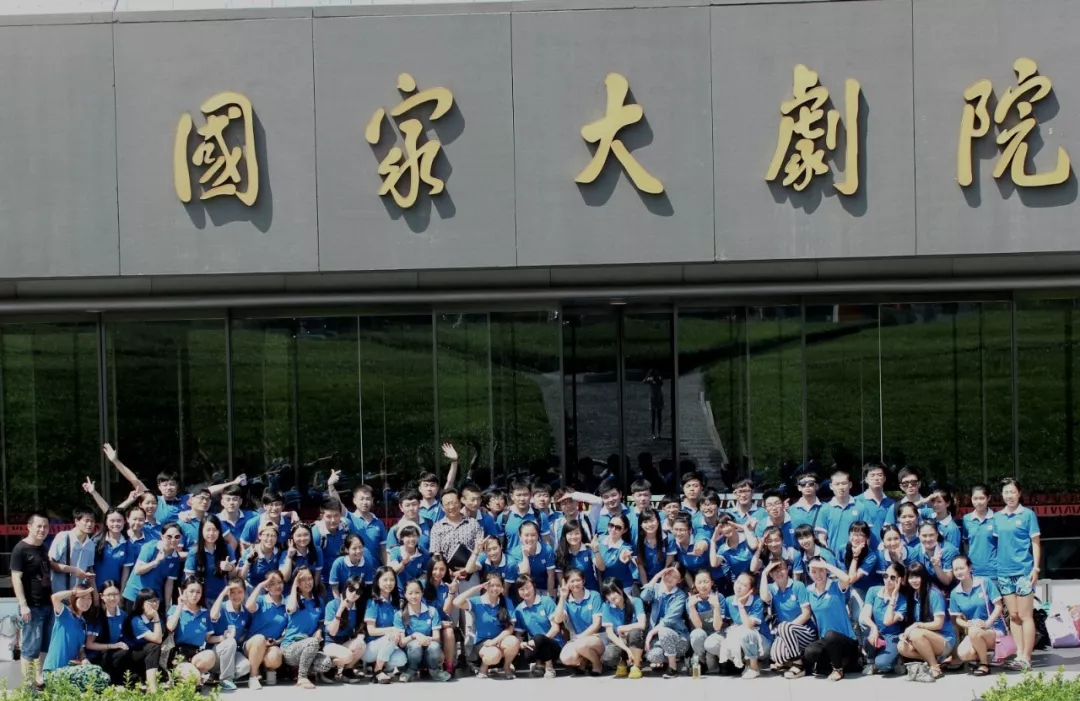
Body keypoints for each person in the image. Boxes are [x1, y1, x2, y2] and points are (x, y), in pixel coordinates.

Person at [994, 478, 1041, 671]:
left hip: (1023, 571)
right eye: (1006, 492)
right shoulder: (998, 517)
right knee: (1013, 616)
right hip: (1003, 572)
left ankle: (1027, 658)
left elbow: (1036, 543)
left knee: (1025, 615)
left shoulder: (1028, 515)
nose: (1009, 496)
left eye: (1013, 492)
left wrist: (1036, 568)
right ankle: (1019, 654)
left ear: (1019, 494)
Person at [790, 557, 858, 681]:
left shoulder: (836, 585)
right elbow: (805, 612)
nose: (818, 575)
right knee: (810, 652)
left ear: (826, 570)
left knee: (831, 635)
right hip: (826, 641)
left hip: (846, 640)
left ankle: (838, 669)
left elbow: (847, 579)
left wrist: (826, 565)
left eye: (821, 570)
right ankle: (836, 663)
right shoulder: (808, 591)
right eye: (814, 571)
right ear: (809, 572)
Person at [12, 513, 56, 690]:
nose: (42, 530)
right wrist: (23, 605)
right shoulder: (20, 549)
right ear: (29, 527)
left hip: (48, 604)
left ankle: (40, 678)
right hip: (32, 606)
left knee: (44, 645)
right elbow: (16, 578)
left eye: (45, 526)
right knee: (30, 648)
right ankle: (28, 686)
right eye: (39, 526)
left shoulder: (44, 547)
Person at [453, 572, 520, 679]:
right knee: (493, 655)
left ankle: (506, 667)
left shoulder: (507, 602)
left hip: (499, 640)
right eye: (491, 585)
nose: (495, 588)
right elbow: (456, 602)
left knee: (514, 641)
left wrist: (495, 641)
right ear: (485, 586)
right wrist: (475, 588)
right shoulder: (477, 601)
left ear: (502, 588)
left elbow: (510, 628)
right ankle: (484, 667)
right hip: (482, 643)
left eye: (498, 585)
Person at [897, 561, 956, 682]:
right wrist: (906, 634)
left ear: (924, 576)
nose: (914, 580)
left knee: (916, 633)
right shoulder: (914, 595)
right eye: (911, 577)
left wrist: (916, 625)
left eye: (917, 577)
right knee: (901, 646)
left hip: (944, 640)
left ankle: (935, 667)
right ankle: (935, 660)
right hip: (926, 638)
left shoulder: (934, 594)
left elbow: (938, 624)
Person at [43, 583, 110, 690]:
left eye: (89, 598)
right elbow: (54, 597)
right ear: (74, 599)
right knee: (95, 676)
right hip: (53, 671)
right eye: (82, 598)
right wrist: (74, 592)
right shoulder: (65, 614)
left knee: (102, 676)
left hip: (70, 669)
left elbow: (80, 649)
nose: (86, 602)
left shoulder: (83, 623)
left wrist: (84, 659)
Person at [949, 554, 1005, 677]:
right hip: (974, 630)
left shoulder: (985, 583)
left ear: (970, 568)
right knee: (963, 654)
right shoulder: (955, 593)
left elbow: (999, 606)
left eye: (961, 568)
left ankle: (984, 664)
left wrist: (987, 623)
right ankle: (984, 655)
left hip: (994, 629)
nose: (958, 572)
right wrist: (967, 624)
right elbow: (957, 619)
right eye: (955, 569)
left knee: (974, 631)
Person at [281, 565, 334, 688]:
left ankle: (301, 669)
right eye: (303, 579)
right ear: (297, 582)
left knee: (326, 663)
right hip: (290, 648)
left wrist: (319, 631)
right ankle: (302, 677)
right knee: (312, 642)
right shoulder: (291, 599)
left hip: (310, 648)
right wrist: (294, 586)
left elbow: (321, 622)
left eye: (310, 578)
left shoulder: (318, 601)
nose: (308, 582)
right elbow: (291, 608)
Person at [760, 560, 814, 675]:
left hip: (805, 631)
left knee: (783, 626)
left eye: (782, 569)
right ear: (770, 574)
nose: (779, 573)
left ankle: (798, 664)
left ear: (787, 570)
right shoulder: (771, 588)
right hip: (785, 632)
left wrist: (786, 629)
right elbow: (764, 597)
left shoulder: (798, 585)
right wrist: (764, 572)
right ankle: (794, 658)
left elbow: (806, 614)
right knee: (776, 655)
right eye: (774, 571)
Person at [395, 579, 452, 682]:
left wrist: (426, 639)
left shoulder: (432, 611)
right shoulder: (399, 614)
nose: (414, 596)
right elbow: (402, 643)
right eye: (410, 593)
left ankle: (434, 671)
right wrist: (415, 635)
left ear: (422, 593)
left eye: (417, 592)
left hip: (428, 648)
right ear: (405, 595)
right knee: (415, 645)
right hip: (411, 653)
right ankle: (410, 670)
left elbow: (437, 638)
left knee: (434, 646)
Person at [165, 577, 218, 683]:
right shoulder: (175, 608)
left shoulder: (204, 612)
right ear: (184, 591)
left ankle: (196, 674)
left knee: (210, 655)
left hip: (196, 654)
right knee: (194, 678)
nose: (195, 595)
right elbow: (170, 627)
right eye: (191, 591)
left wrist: (224, 638)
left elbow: (208, 638)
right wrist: (180, 606)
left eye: (198, 592)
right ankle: (193, 675)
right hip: (179, 655)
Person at [640, 565, 689, 678]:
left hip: (678, 639)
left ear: (680, 580)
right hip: (658, 640)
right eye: (668, 574)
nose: (670, 578)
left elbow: (668, 619)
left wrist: (651, 633)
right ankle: (670, 659)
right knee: (653, 656)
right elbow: (644, 596)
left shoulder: (680, 595)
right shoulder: (656, 589)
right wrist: (656, 577)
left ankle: (673, 668)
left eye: (675, 577)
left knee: (663, 630)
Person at [859, 562, 907, 676]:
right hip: (877, 633)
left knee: (883, 664)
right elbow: (864, 615)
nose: (888, 580)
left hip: (892, 637)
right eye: (886, 576)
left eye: (892, 577)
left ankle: (891, 661)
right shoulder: (873, 591)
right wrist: (874, 627)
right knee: (866, 627)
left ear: (900, 580)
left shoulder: (902, 601)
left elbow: (887, 621)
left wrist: (893, 597)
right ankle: (871, 661)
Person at [554, 568, 605, 675]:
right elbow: (558, 619)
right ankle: (585, 659)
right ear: (566, 584)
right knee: (566, 658)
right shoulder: (566, 600)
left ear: (583, 581)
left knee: (581, 645)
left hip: (597, 637)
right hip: (578, 640)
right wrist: (562, 598)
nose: (575, 584)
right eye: (571, 581)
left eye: (578, 580)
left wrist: (579, 638)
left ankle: (597, 664)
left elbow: (597, 624)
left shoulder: (594, 596)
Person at [720, 572, 771, 678]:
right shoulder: (729, 600)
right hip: (742, 638)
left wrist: (741, 606)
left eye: (744, 585)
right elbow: (728, 622)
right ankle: (742, 663)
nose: (739, 586)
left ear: (751, 590)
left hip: (762, 643)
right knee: (716, 642)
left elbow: (749, 626)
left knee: (746, 633)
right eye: (738, 582)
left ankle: (754, 667)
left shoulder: (757, 600)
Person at [363, 567, 409, 683]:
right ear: (377, 582)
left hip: (389, 645)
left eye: (392, 580)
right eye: (385, 580)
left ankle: (382, 667)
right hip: (371, 648)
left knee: (401, 659)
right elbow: (371, 631)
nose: (389, 583)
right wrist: (392, 630)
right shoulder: (372, 602)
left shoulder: (396, 602)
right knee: (391, 636)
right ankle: (377, 671)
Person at [122, 522, 183, 609]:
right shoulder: (151, 547)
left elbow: (169, 583)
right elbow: (138, 570)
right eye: (169, 537)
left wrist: (167, 606)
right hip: (135, 594)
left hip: (154, 598)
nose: (173, 540)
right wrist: (156, 561)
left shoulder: (176, 558)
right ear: (162, 536)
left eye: (177, 537)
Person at [243, 570, 287, 690]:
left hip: (271, 645)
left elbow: (289, 630)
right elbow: (249, 606)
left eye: (280, 582)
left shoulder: (287, 603)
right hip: (252, 645)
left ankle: (266, 669)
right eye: (272, 583)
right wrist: (260, 586)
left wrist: (276, 642)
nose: (277, 586)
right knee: (260, 639)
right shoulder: (261, 600)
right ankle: (253, 676)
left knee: (275, 657)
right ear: (266, 587)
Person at [513, 574, 562, 679]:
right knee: (526, 653)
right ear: (518, 591)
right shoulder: (519, 609)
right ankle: (539, 663)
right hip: (535, 644)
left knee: (539, 638)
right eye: (522, 589)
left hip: (554, 644)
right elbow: (518, 633)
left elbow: (555, 628)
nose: (526, 592)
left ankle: (549, 667)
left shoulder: (546, 601)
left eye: (528, 587)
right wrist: (521, 643)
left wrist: (538, 641)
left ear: (534, 586)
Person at [85, 580, 133, 686]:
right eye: (109, 595)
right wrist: (114, 646)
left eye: (115, 594)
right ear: (102, 596)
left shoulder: (123, 615)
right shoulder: (97, 616)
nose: (112, 598)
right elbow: (89, 644)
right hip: (97, 656)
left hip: (114, 653)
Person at [209, 577, 253, 691]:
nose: (236, 595)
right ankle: (225, 679)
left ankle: (216, 676)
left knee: (245, 667)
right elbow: (213, 615)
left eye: (239, 592)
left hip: (232, 653)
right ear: (227, 593)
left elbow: (244, 634)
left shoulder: (245, 613)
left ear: (245, 592)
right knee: (230, 641)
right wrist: (222, 594)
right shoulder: (222, 607)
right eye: (232, 592)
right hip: (215, 653)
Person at [322, 576, 367, 683]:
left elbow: (361, 629)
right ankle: (326, 667)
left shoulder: (359, 607)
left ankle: (347, 671)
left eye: (358, 591)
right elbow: (332, 632)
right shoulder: (333, 604)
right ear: (345, 587)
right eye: (351, 589)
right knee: (348, 655)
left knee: (361, 645)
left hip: (344, 642)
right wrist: (341, 609)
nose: (354, 593)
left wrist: (360, 638)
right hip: (330, 643)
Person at [598, 578, 646, 678]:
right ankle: (622, 662)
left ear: (621, 588)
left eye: (614, 592)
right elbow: (610, 634)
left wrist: (622, 628)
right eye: (608, 594)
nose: (612, 596)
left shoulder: (635, 601)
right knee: (608, 658)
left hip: (636, 640)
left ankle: (636, 666)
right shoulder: (606, 606)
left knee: (635, 633)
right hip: (619, 641)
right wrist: (627, 650)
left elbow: (642, 624)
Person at [184, 514, 236, 605]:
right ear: (201, 531)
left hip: (223, 597)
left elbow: (233, 577)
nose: (211, 533)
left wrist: (230, 568)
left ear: (219, 531)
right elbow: (189, 579)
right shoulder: (194, 552)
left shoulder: (227, 548)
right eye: (208, 530)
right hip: (201, 600)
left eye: (215, 530)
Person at [428, 488, 481, 566]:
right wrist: (446, 570)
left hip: (470, 569)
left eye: (454, 503)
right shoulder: (437, 527)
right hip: (446, 571)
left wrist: (468, 569)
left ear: (460, 503)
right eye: (447, 504)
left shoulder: (473, 523)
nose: (451, 507)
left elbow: (480, 550)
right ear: (442, 507)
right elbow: (436, 554)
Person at [124, 589, 163, 692]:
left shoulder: (159, 619)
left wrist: (156, 618)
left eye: (157, 600)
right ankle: (152, 687)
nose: (155, 604)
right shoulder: (136, 620)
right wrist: (156, 617)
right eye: (151, 601)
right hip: (133, 654)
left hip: (149, 656)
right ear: (142, 604)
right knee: (154, 647)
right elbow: (157, 639)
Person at [686, 570, 725, 674]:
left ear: (712, 582)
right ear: (694, 584)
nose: (702, 585)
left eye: (706, 582)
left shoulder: (719, 597)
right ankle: (701, 661)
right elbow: (698, 626)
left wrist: (716, 607)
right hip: (701, 635)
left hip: (716, 635)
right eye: (699, 582)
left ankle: (721, 660)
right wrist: (691, 607)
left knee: (711, 645)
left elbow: (717, 627)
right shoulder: (691, 600)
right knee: (696, 634)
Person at [49, 509, 97, 592]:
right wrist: (75, 570)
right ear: (76, 521)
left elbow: (89, 568)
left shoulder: (90, 544)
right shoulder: (63, 537)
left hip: (80, 593)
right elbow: (51, 563)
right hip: (60, 591)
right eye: (86, 521)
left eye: (92, 521)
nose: (89, 524)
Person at [498, 480, 551, 552]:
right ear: (512, 496)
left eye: (525, 495)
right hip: (512, 558)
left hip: (535, 558)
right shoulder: (503, 517)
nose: (522, 499)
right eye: (518, 495)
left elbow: (546, 543)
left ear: (530, 495)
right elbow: (500, 545)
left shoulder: (540, 516)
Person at [820, 469, 864, 553]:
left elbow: (866, 535)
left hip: (856, 555)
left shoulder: (860, 507)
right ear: (831, 486)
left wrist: (860, 554)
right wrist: (826, 554)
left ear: (850, 485)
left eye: (844, 483)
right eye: (837, 484)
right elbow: (822, 536)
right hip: (833, 556)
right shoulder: (825, 509)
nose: (841, 487)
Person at [591, 515, 637, 594]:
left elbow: (625, 552)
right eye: (611, 525)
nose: (613, 529)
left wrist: (624, 557)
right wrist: (595, 550)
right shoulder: (598, 540)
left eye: (618, 527)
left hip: (622, 587)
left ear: (625, 530)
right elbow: (601, 567)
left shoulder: (626, 546)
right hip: (605, 586)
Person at [343, 484, 388, 562]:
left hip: (376, 568)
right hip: (355, 568)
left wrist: (387, 567)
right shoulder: (349, 518)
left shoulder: (378, 523)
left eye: (368, 499)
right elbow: (338, 506)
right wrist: (331, 487)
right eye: (362, 499)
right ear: (354, 500)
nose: (365, 502)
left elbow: (383, 549)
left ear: (372, 500)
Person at [962, 484, 997, 580]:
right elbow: (966, 542)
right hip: (973, 571)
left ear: (988, 498)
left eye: (982, 498)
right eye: (975, 498)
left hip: (993, 571)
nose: (978, 502)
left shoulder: (997, 518)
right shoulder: (966, 519)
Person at [93, 509, 132, 595]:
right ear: (106, 522)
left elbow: (126, 571)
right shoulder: (96, 542)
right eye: (112, 521)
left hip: (115, 592)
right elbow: (90, 568)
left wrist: (121, 593)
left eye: (119, 520)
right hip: (96, 589)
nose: (116, 524)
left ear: (125, 521)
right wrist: (94, 592)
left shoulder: (128, 544)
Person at [911, 519, 958, 590]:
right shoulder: (916, 550)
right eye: (924, 536)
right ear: (919, 535)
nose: (928, 539)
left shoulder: (949, 550)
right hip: (925, 588)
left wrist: (936, 565)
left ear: (937, 534)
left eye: (931, 535)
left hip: (947, 590)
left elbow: (947, 581)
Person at [855, 463, 895, 544]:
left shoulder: (892, 504)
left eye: (879, 475)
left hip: (887, 548)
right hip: (863, 548)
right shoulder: (856, 502)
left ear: (884, 478)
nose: (876, 478)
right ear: (866, 479)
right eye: (872, 475)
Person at [513, 521, 556, 594]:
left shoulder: (547, 550)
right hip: (526, 589)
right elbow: (525, 575)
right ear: (520, 536)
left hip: (545, 587)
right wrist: (525, 556)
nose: (530, 538)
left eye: (533, 535)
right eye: (526, 535)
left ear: (538, 536)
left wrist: (549, 596)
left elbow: (551, 575)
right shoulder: (516, 552)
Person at [711, 512, 757, 582]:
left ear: (734, 524)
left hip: (756, 577)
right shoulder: (723, 549)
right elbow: (714, 563)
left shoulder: (747, 536)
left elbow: (754, 546)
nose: (726, 529)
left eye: (728, 525)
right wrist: (712, 541)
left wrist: (744, 528)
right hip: (739, 582)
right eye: (722, 527)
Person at [279, 522, 324, 593]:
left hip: (310, 590)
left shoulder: (317, 550)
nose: (302, 538)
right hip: (291, 591)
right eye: (298, 536)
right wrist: (289, 557)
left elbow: (317, 574)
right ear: (292, 537)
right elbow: (285, 578)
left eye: (306, 535)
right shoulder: (285, 553)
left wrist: (312, 592)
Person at [311, 497, 347, 584]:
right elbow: (312, 562)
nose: (333, 520)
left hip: (342, 577)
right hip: (323, 580)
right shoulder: (316, 533)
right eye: (329, 516)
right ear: (321, 516)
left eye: (336, 515)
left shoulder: (346, 527)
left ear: (341, 515)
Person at [635, 508, 674, 586]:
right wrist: (646, 587)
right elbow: (641, 568)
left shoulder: (669, 538)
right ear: (641, 525)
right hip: (645, 581)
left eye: (652, 520)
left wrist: (660, 586)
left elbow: (668, 567)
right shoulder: (638, 540)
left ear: (658, 521)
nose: (649, 524)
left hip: (664, 580)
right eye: (645, 522)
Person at [555, 521, 598, 590]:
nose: (573, 536)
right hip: (572, 592)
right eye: (570, 534)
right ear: (565, 535)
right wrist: (565, 589)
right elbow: (560, 574)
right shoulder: (560, 552)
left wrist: (596, 551)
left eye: (577, 533)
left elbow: (601, 567)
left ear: (582, 534)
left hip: (591, 590)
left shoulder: (588, 549)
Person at [388, 525, 430, 594]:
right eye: (408, 536)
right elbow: (393, 571)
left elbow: (425, 573)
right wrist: (403, 563)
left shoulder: (424, 553)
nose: (412, 539)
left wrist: (415, 584)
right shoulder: (396, 551)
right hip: (398, 592)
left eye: (414, 536)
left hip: (415, 592)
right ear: (402, 538)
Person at [240, 522, 283, 589]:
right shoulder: (250, 551)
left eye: (273, 536)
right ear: (260, 536)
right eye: (267, 535)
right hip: (253, 588)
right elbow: (241, 577)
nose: (270, 539)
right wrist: (248, 561)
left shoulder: (279, 553)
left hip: (273, 588)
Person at [217, 484, 252, 550]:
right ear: (222, 502)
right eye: (228, 500)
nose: (231, 503)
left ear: (240, 501)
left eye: (235, 499)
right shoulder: (215, 520)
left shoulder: (252, 516)